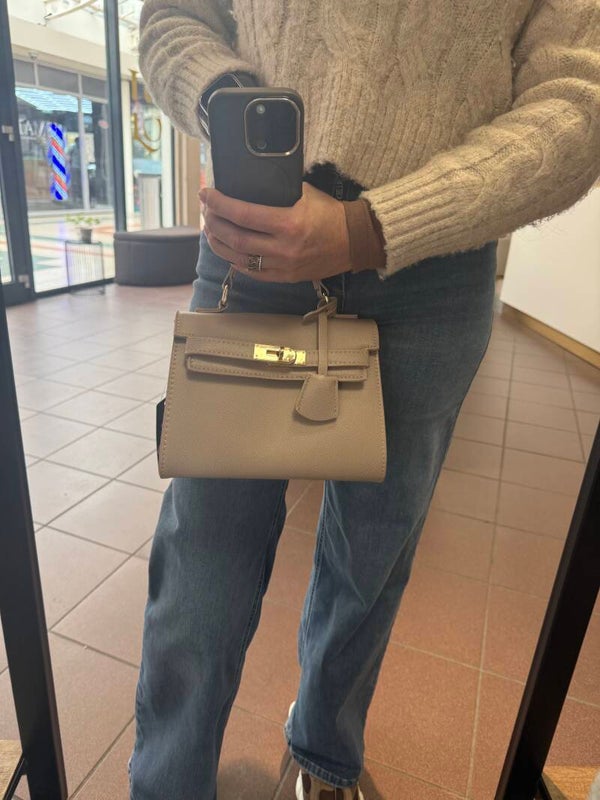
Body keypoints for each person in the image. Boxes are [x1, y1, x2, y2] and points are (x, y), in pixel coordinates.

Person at [128, 3, 600, 799]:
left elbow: (580, 98)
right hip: (258, 238)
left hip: (433, 260)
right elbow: (174, 16)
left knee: (371, 561)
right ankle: (168, 783)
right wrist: (231, 102)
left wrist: (371, 228)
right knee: (202, 556)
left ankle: (323, 755)